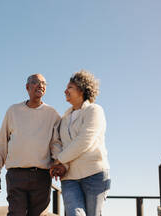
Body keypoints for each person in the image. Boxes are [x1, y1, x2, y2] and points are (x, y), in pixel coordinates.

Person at [0, 74, 61, 216]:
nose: (40, 85)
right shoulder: (13, 111)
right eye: (35, 82)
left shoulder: (52, 114)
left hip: (41, 176)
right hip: (16, 175)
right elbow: (2, 144)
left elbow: (56, 144)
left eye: (43, 83)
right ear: (27, 87)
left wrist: (58, 162)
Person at [50, 70, 111, 216]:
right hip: (69, 177)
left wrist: (59, 160)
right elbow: (57, 142)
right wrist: (62, 166)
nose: (65, 91)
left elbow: (85, 140)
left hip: (94, 174)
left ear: (82, 89)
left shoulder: (94, 110)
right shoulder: (64, 119)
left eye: (69, 87)